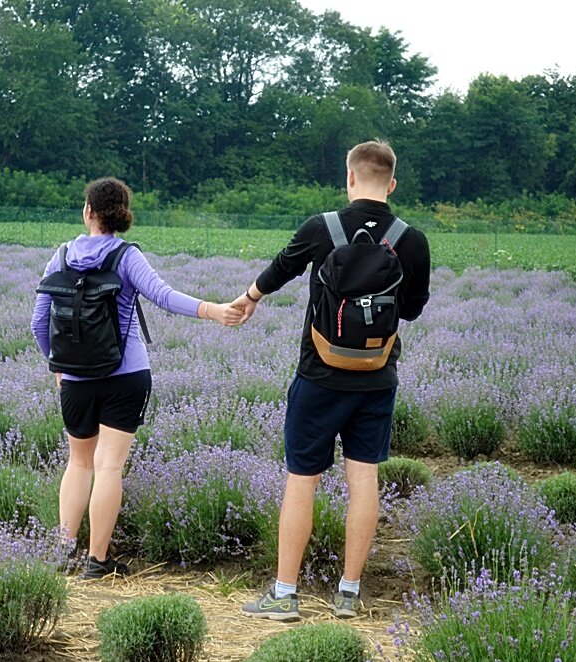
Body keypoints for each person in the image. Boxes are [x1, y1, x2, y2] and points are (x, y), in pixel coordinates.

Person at [238, 141, 431, 620]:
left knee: (301, 481)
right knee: (364, 478)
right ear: (391, 183)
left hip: (319, 375)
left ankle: (284, 595)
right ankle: (348, 593)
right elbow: (412, 307)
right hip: (376, 376)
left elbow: (281, 268)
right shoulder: (411, 239)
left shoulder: (321, 227)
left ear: (349, 178)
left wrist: (248, 297)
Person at [31, 177, 242, 580]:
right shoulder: (126, 256)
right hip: (125, 375)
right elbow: (163, 295)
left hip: (75, 379)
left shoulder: (60, 256)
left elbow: (39, 323)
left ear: (88, 212)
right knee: (109, 467)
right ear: (122, 216)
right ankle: (97, 561)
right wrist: (212, 310)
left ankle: (62, 552)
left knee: (78, 463)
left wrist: (58, 366)